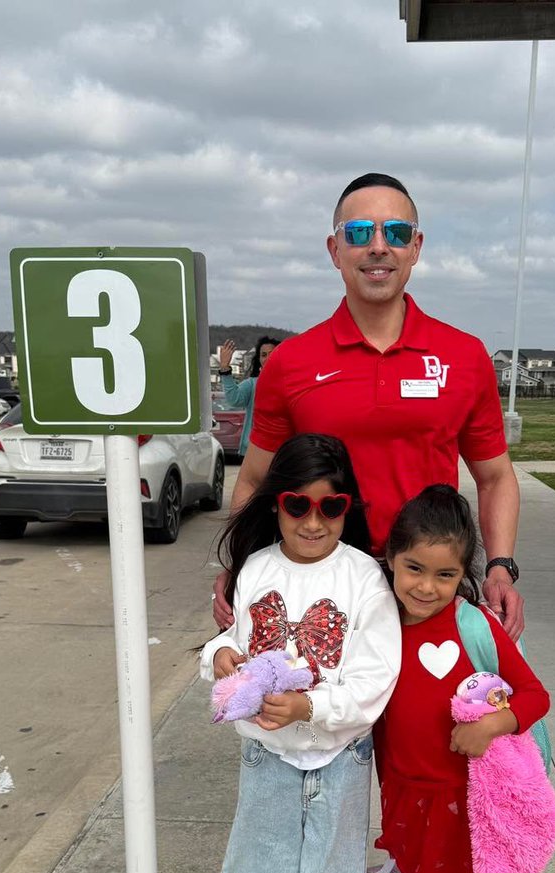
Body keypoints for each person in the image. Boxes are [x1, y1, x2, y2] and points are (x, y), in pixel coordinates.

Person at [214, 171, 524, 640]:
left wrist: (500, 567)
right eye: (359, 233)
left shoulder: (463, 356)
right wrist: (239, 565)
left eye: (395, 232)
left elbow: (495, 476)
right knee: (323, 713)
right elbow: (256, 479)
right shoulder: (292, 363)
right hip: (320, 588)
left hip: (428, 588)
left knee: (439, 713)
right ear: (334, 250)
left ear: (415, 248)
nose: (378, 246)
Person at [200, 433, 401, 873]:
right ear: (275, 506)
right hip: (267, 756)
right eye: (297, 505)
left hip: (340, 756)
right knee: (256, 870)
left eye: (331, 507)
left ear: (348, 508)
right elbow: (226, 643)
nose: (314, 521)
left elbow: (375, 679)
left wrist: (311, 706)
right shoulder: (257, 568)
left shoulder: (365, 577)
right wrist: (223, 657)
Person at [375, 484, 550, 873]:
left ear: (463, 575)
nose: (426, 586)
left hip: (472, 801)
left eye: (445, 575)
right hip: (409, 795)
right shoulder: (376, 626)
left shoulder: (474, 626)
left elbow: (534, 694)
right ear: (391, 560)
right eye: (413, 569)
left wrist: (493, 725)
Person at [217, 335, 281, 459]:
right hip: (253, 451)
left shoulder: (290, 383)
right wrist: (224, 368)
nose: (268, 358)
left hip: (282, 452)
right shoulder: (252, 384)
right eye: (263, 355)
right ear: (259, 359)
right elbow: (234, 399)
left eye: (272, 353)